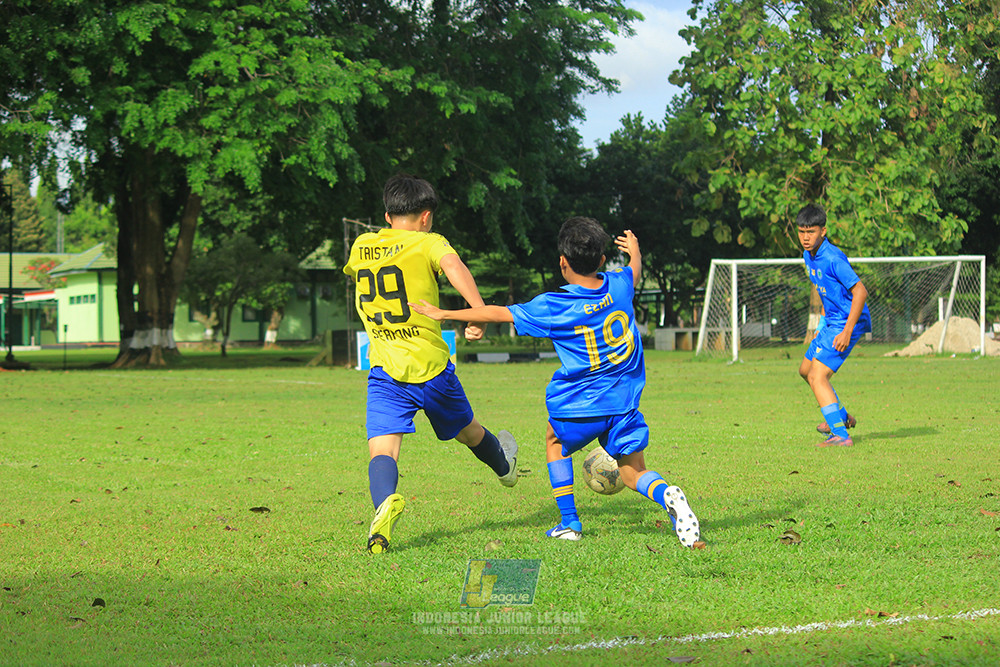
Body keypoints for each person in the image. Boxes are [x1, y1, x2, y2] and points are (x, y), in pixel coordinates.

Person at [411, 217, 702, 548]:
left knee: (555, 443)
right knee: (633, 473)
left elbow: (498, 313)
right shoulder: (620, 285)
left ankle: (569, 522)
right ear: (603, 261)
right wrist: (635, 251)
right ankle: (668, 495)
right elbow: (633, 270)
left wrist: (444, 314)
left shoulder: (554, 306)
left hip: (581, 405)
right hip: (624, 404)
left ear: (563, 262)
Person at [343, 174, 518, 554]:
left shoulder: (361, 246)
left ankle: (383, 511)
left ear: (388, 215)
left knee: (382, 452)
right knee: (470, 433)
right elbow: (455, 268)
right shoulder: (429, 242)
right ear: (426, 217)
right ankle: (505, 468)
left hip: (385, 369)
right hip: (432, 370)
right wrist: (478, 313)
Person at [796, 204, 871, 447]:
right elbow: (827, 293)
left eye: (812, 232)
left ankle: (840, 435)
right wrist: (823, 322)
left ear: (823, 231)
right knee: (806, 371)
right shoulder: (808, 256)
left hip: (848, 322)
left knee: (818, 376)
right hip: (833, 322)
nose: (806, 238)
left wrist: (846, 331)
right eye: (802, 232)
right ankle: (839, 416)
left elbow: (860, 291)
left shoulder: (832, 258)